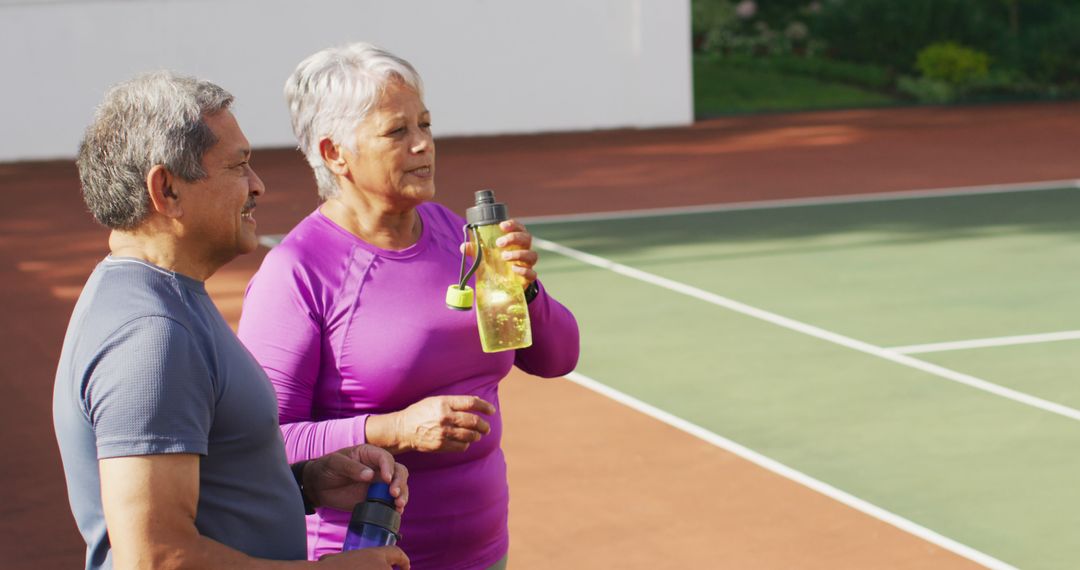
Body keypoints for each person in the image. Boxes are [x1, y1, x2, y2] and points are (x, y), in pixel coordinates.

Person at [237, 43, 580, 569]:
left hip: (484, 550)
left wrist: (526, 289)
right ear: (335, 153)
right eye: (398, 132)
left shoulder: (457, 235)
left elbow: (556, 359)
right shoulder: (298, 271)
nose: (423, 145)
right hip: (360, 556)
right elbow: (263, 441)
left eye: (425, 125)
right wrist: (392, 429)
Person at [53, 71, 411, 570]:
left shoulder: (163, 299)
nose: (258, 185)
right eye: (239, 166)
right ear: (167, 190)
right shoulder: (152, 334)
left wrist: (304, 482)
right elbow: (156, 558)